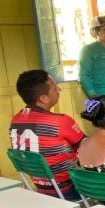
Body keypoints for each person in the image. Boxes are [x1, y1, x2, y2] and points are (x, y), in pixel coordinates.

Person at [9, 69, 85, 200]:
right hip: (69, 188)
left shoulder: (16, 119)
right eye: (55, 88)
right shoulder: (60, 121)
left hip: (41, 187)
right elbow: (88, 147)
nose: (59, 89)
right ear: (43, 98)